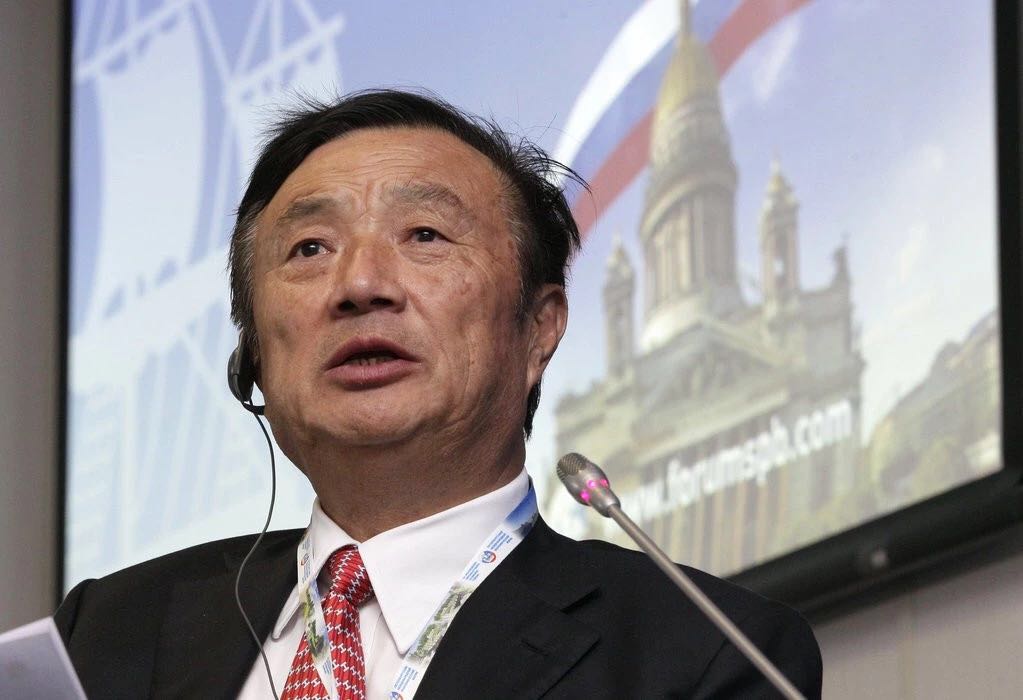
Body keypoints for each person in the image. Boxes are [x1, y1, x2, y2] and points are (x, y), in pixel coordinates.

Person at [55, 89, 823, 699]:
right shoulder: (106, 634)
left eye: (424, 235)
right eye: (309, 248)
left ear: (538, 328)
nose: (359, 284)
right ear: (252, 352)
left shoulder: (701, 652)